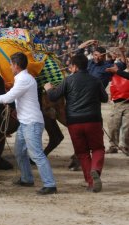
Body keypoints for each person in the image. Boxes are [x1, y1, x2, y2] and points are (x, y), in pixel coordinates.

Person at [44, 54, 108, 193]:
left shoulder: (67, 81)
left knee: (82, 152)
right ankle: (95, 169)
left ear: (74, 67)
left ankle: (91, 183)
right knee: (98, 149)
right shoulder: (95, 80)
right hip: (93, 120)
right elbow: (104, 98)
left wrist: (48, 88)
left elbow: (54, 97)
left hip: (74, 122)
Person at [0, 52, 57, 195]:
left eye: (11, 64)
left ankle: (50, 184)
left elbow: (9, 97)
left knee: (36, 155)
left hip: (31, 122)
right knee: (19, 152)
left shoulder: (23, 79)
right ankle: (27, 178)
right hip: (25, 122)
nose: (10, 67)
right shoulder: (23, 78)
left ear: (16, 65)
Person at [105, 64, 129, 156]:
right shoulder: (114, 72)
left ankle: (126, 146)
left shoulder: (120, 72)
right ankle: (113, 146)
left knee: (127, 127)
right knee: (113, 125)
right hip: (116, 104)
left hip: (128, 103)